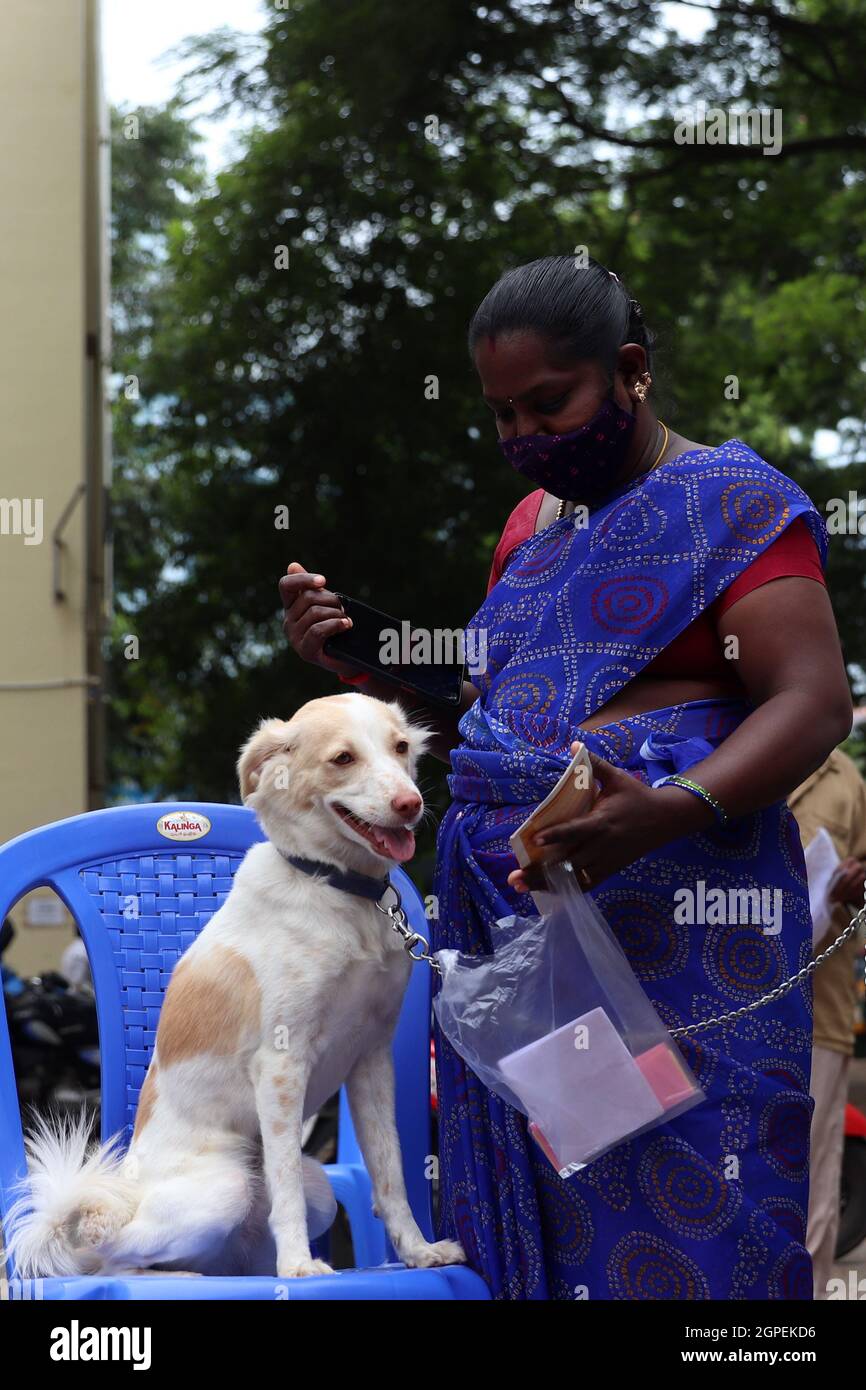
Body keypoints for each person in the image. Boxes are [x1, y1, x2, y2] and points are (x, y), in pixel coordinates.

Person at [279, 254, 853, 1300]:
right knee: (561, 1200)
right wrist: (358, 658)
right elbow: (500, 711)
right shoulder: (527, 529)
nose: (522, 439)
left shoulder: (731, 503)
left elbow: (809, 700)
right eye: (502, 416)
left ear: (628, 371)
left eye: (548, 405)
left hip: (683, 933)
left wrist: (669, 809)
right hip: (526, 940)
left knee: (703, 1217)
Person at [788, 749, 866, 1298]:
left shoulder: (847, 779)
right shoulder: (715, 738)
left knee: (813, 1185)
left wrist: (858, 887)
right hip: (720, 1005)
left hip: (820, 1008)